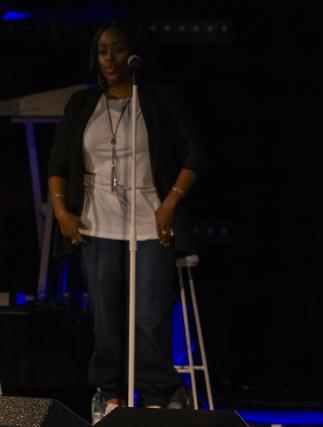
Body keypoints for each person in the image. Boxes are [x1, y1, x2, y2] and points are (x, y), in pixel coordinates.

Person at [47, 22, 205, 421]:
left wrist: (170, 203)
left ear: (134, 54)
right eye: (103, 51)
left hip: (150, 224)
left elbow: (195, 154)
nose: (110, 58)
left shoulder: (158, 100)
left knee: (149, 315)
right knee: (105, 317)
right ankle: (110, 393)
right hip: (96, 224)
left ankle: (156, 393)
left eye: (118, 49)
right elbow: (58, 163)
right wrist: (63, 212)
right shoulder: (82, 104)